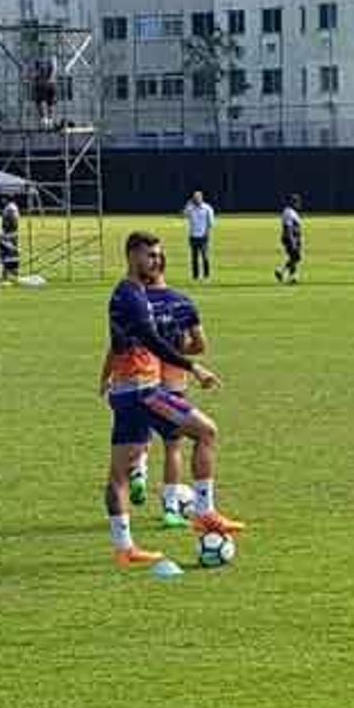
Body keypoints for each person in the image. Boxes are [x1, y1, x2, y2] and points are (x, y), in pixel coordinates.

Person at [102, 231, 245, 569]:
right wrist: (194, 367)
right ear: (132, 255)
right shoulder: (131, 294)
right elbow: (151, 339)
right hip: (143, 391)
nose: (156, 262)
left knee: (119, 475)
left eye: (158, 256)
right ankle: (204, 513)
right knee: (207, 432)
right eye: (150, 256)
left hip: (127, 392)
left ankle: (125, 548)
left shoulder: (130, 293)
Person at [134, 279, 209, 528]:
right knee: (173, 445)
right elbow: (200, 345)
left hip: (141, 378)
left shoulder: (135, 302)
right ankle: (170, 508)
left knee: (140, 432)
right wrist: (178, 348)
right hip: (173, 381)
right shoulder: (182, 302)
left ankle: (140, 470)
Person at [185, 190, 216, 281]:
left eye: (198, 197)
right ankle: (195, 276)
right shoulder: (190, 208)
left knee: (205, 256)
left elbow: (210, 223)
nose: (196, 199)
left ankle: (206, 276)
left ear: (201, 198)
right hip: (193, 235)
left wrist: (207, 233)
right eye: (195, 198)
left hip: (203, 236)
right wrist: (188, 205)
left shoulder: (207, 208)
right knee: (194, 257)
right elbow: (184, 214)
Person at [275, 194, 303, 284]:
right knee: (296, 257)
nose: (298, 204)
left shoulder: (292, 212)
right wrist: (292, 240)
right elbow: (288, 227)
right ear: (292, 202)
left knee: (294, 257)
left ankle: (291, 277)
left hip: (294, 237)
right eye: (296, 202)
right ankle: (281, 271)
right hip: (291, 238)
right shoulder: (288, 212)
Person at [0, 197, 21, 281]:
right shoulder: (9, 207)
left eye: (3, 199)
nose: (2, 200)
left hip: (10, 234)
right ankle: (7, 272)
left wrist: (7, 233)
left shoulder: (11, 207)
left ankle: (11, 272)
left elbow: (13, 222)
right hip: (8, 233)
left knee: (10, 253)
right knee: (6, 253)